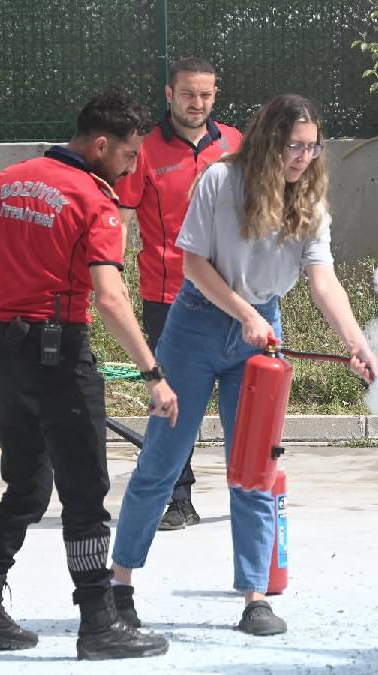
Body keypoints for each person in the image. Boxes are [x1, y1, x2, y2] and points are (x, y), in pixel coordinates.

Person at [109, 94, 378, 637]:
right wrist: (244, 312)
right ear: (268, 141)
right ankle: (119, 587)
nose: (303, 157)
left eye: (311, 147)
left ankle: (255, 596)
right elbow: (194, 264)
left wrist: (356, 341)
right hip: (196, 326)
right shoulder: (220, 182)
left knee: (254, 467)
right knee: (161, 462)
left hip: (259, 334)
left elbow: (323, 282)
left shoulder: (310, 200)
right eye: (293, 146)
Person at [0, 86, 177, 660]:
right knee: (85, 489)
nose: (130, 170)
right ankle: (98, 622)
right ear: (101, 145)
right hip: (60, 348)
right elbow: (110, 297)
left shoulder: (6, 181)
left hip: (5, 346)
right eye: (127, 157)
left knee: (25, 484)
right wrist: (153, 373)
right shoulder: (94, 200)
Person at [115, 57, 243, 532]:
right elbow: (124, 217)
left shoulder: (235, 143)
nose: (198, 103)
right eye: (189, 94)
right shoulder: (144, 150)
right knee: (175, 401)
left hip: (232, 295)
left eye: (206, 95)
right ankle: (179, 497)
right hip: (168, 297)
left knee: (245, 397)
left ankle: (251, 491)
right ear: (169, 94)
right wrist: (112, 275)